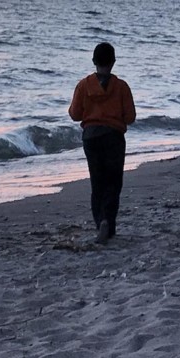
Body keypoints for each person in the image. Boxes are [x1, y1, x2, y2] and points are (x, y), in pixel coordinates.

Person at [69, 42, 136, 244]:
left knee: (97, 182)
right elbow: (131, 117)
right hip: (114, 136)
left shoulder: (83, 85)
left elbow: (74, 114)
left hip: (91, 137)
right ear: (113, 62)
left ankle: (101, 223)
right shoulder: (121, 87)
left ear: (93, 61)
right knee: (114, 182)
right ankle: (109, 224)